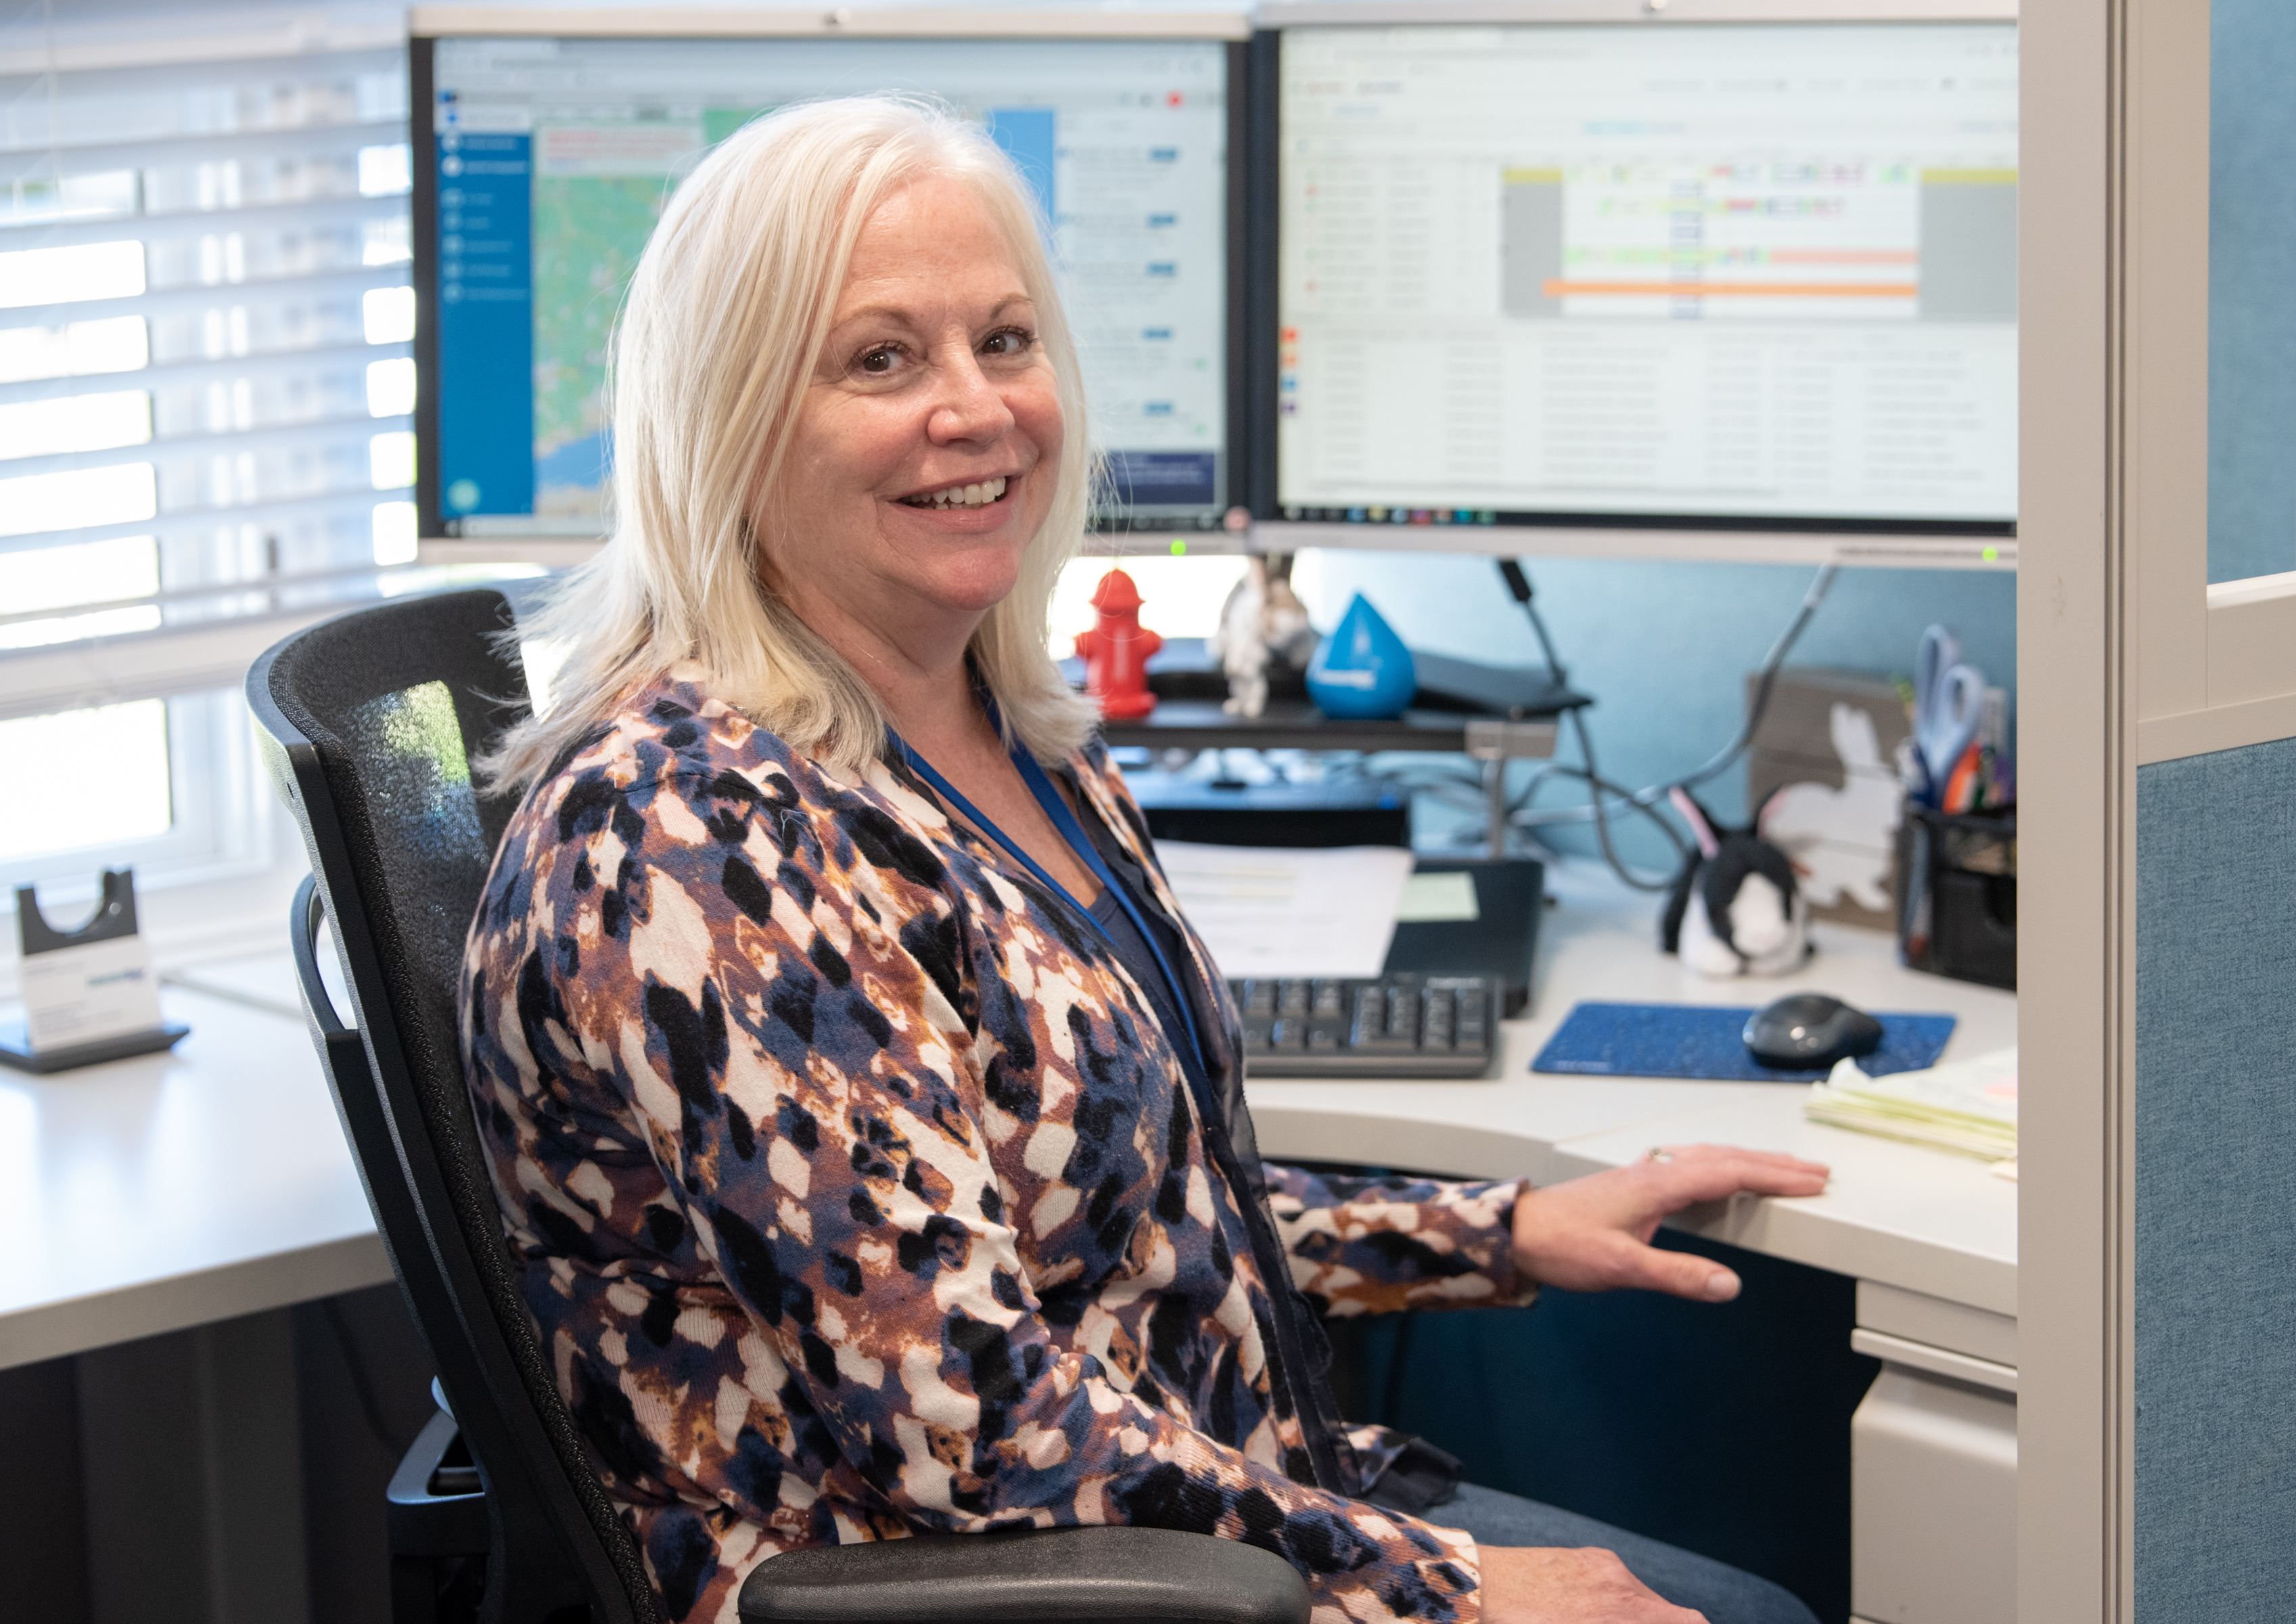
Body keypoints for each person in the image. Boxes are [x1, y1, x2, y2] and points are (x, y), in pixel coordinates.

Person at [461, 95, 1831, 1624]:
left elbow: (1136, 1216)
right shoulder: (693, 842)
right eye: (879, 358)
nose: (975, 407)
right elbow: (971, 1435)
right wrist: (1452, 1585)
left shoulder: (1009, 723)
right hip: (991, 1583)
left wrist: (1492, 1230)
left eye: (1005, 339)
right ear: (728, 415)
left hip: (1205, 1518)